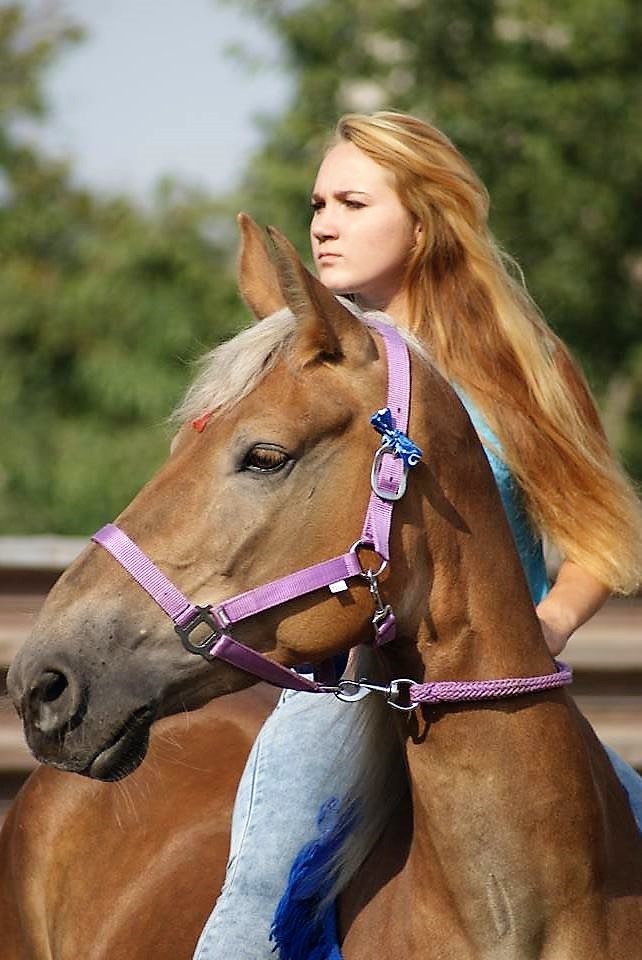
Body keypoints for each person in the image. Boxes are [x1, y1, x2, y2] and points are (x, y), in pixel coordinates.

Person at [192, 111, 642, 960]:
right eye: (319, 201)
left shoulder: (528, 364)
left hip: (508, 695)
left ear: (425, 221)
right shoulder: (315, 360)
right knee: (254, 903)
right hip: (355, 689)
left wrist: (548, 625)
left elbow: (599, 535)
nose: (323, 221)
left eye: (353, 201)